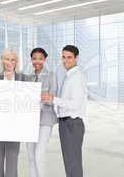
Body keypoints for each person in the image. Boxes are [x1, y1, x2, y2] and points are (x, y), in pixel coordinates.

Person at [41, 45, 87, 177]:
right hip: (66, 124)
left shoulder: (77, 77)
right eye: (63, 57)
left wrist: (53, 99)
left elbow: (75, 104)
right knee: (70, 163)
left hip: (72, 124)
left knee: (73, 164)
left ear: (76, 58)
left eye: (69, 57)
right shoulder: (69, 75)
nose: (65, 60)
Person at [0, 49, 26, 177]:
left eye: (12, 60)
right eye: (6, 59)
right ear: (1, 60)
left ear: (16, 62)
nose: (9, 62)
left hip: (15, 126)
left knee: (12, 159)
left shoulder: (24, 79)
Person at [26, 47, 58, 177]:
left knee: (39, 155)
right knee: (30, 156)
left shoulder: (51, 75)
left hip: (45, 120)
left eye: (40, 58)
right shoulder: (28, 77)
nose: (37, 61)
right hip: (29, 121)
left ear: (44, 59)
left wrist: (38, 102)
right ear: (31, 60)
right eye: (34, 58)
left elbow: (52, 98)